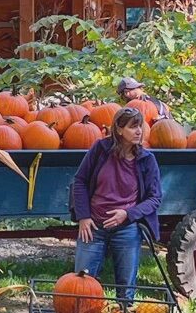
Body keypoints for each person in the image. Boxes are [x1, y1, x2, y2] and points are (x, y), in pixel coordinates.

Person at [70, 106, 163, 302]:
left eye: (140, 127)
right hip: (93, 225)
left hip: (126, 228)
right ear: (119, 130)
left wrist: (128, 214)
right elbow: (80, 181)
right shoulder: (100, 150)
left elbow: (155, 198)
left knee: (126, 288)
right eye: (133, 127)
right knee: (81, 284)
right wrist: (83, 216)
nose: (139, 131)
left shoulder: (147, 160)